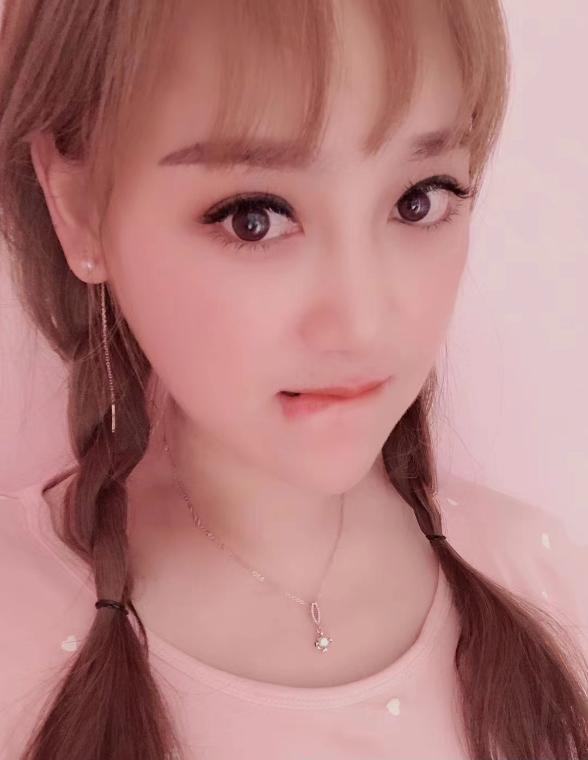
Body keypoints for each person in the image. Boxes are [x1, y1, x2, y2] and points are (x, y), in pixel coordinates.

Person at [0, 1, 586, 758]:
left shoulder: (544, 583)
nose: (364, 323)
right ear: (77, 208)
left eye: (418, 201)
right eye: (254, 217)